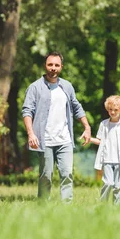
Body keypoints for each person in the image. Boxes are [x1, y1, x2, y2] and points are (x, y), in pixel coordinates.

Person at [22, 52, 91, 201]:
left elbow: (76, 107)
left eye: (56, 65)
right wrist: (31, 133)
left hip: (64, 139)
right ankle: (43, 206)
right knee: (46, 175)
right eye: (50, 64)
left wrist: (87, 127)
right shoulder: (35, 87)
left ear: (61, 67)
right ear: (45, 66)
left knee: (67, 174)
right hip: (44, 140)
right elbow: (27, 111)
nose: (53, 68)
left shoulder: (67, 86)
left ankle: (66, 209)